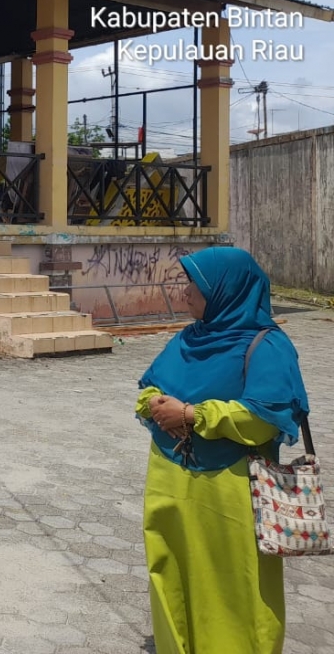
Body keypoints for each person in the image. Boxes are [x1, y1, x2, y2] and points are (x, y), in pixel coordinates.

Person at [137, 247, 309, 653]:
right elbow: (150, 386)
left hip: (231, 488)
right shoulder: (188, 338)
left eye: (195, 285)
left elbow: (265, 417)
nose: (185, 293)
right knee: (171, 569)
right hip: (169, 478)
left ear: (225, 291)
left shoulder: (268, 346)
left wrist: (192, 414)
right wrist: (153, 403)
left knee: (234, 580)